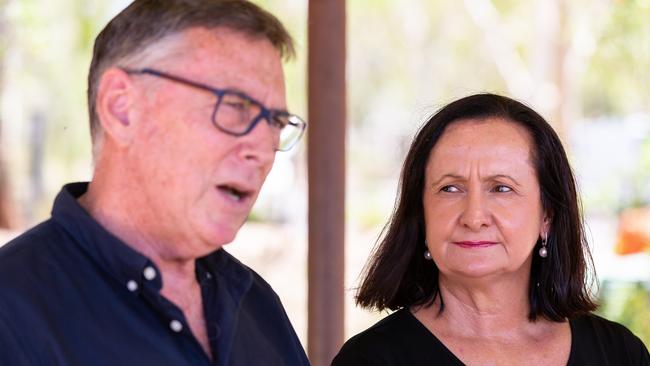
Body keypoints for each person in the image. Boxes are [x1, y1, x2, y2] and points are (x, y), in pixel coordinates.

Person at [0, 1, 310, 365]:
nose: (262, 147)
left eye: (274, 120)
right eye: (234, 106)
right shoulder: (12, 311)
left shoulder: (256, 304)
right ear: (122, 108)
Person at [333, 94, 650, 365]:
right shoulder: (371, 359)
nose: (474, 217)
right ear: (421, 213)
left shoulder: (619, 353)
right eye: (450, 189)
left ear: (547, 217)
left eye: (501, 188)